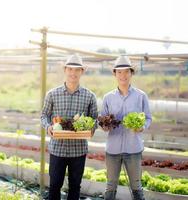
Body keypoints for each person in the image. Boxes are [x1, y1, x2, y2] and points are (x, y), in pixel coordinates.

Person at [41, 54, 98, 200]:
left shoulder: (89, 96)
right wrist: (48, 127)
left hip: (78, 150)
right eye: (70, 69)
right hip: (57, 149)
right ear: (65, 70)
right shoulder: (52, 94)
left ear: (81, 72)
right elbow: (44, 116)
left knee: (75, 186)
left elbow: (95, 119)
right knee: (54, 185)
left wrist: (92, 128)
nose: (73, 73)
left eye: (77, 70)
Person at [100, 55, 152, 200]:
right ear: (115, 74)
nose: (123, 75)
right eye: (119, 72)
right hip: (113, 149)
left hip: (133, 149)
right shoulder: (108, 97)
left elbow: (148, 118)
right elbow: (102, 119)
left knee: (137, 187)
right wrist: (104, 126)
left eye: (126, 71)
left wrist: (142, 127)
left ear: (131, 73)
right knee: (110, 187)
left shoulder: (141, 96)